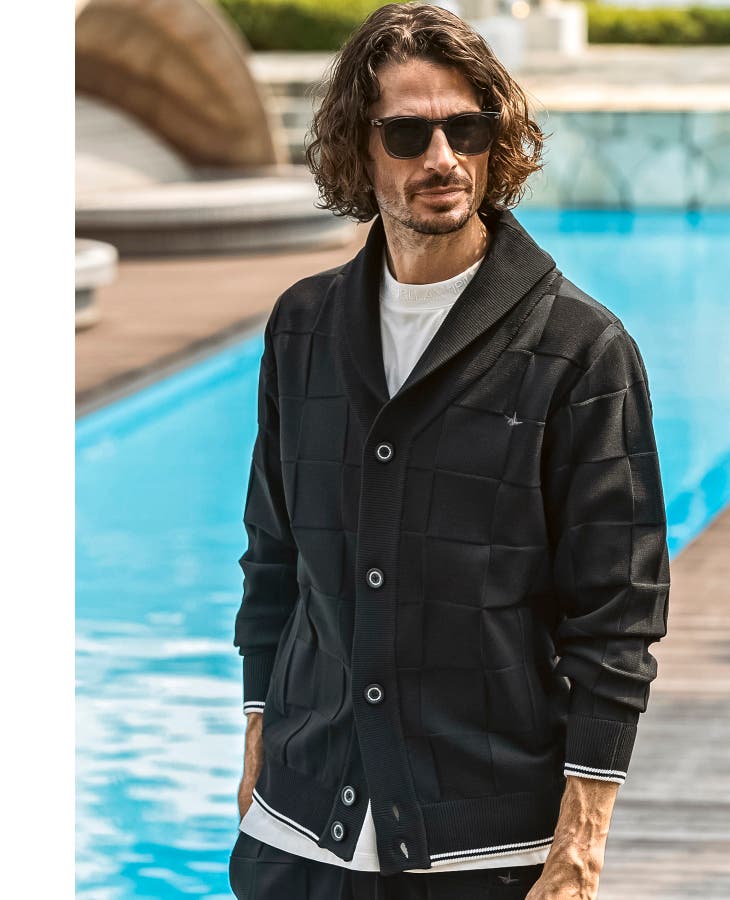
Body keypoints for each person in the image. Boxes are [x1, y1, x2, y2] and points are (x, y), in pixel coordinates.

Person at [228, 3, 670, 898]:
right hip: (298, 833)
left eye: (467, 129)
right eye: (408, 134)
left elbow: (616, 614)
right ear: (358, 149)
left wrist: (582, 839)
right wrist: (258, 744)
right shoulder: (302, 327)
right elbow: (274, 559)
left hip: (485, 849)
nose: (443, 157)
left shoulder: (582, 351)